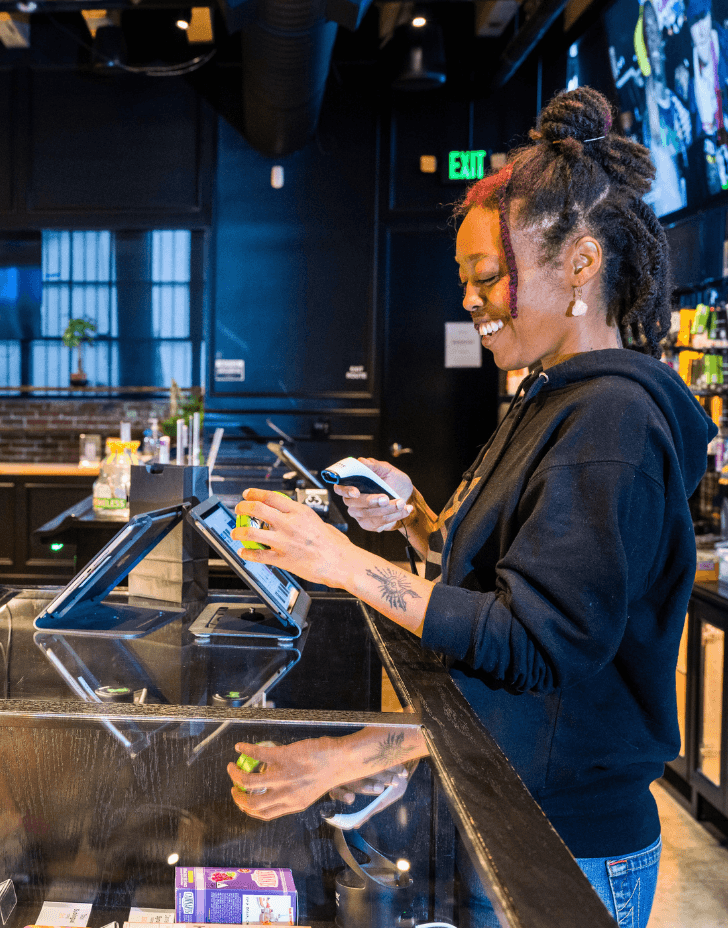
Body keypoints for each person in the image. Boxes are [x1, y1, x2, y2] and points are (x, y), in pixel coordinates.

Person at [225, 86, 716, 928]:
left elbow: (532, 643)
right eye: (467, 279)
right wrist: (417, 520)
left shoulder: (611, 421)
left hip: (564, 843)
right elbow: (513, 576)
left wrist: (344, 562)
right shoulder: (551, 398)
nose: (471, 300)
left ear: (582, 264)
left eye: (488, 276)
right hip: (505, 802)